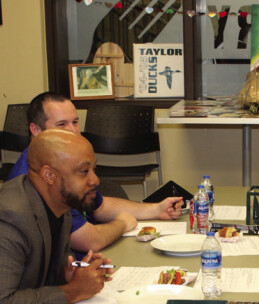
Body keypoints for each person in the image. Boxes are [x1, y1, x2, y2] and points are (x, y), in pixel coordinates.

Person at [7, 92, 184, 260]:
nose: (73, 131)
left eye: (75, 122)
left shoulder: (65, 160)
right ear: (36, 130)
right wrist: (121, 224)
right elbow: (88, 240)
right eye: (61, 124)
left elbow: (99, 206)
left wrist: (156, 209)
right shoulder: (36, 176)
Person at [0, 129, 114, 303]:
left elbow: (38, 277)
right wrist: (73, 291)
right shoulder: (9, 219)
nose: (95, 180)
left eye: (93, 169)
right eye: (84, 171)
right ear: (49, 175)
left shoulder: (60, 204)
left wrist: (69, 275)